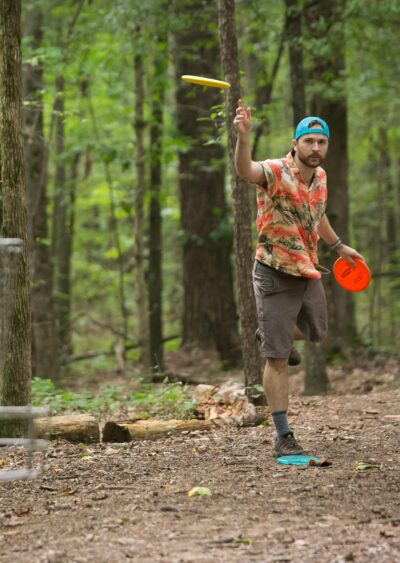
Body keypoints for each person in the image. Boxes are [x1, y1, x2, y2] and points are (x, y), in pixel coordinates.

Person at [233, 99, 363, 457]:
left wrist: (339, 247)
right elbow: (246, 171)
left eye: (321, 142)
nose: (315, 148)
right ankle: (283, 434)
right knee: (276, 357)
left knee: (317, 331)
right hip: (274, 272)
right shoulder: (276, 171)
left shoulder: (320, 177)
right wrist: (243, 137)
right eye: (309, 141)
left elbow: (316, 215)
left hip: (308, 270)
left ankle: (272, 330)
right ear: (296, 143)